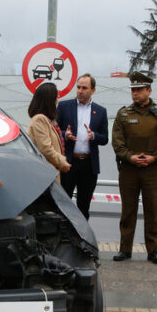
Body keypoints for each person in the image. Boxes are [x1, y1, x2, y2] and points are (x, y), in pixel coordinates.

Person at [111, 71, 157, 265]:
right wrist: (130, 157)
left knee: (153, 211)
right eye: (133, 90)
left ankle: (153, 250)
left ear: (149, 90)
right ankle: (125, 249)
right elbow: (117, 142)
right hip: (129, 170)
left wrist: (153, 157)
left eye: (139, 90)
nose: (135, 93)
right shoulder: (123, 114)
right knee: (127, 211)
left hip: (152, 170)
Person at [56, 74, 109, 219]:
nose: (80, 90)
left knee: (84, 206)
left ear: (93, 90)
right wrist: (64, 135)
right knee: (63, 204)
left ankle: (82, 239)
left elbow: (105, 138)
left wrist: (94, 136)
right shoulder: (64, 106)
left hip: (88, 165)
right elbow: (54, 130)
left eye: (84, 88)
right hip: (68, 163)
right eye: (78, 87)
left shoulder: (101, 111)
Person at [27, 82, 71, 180]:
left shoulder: (47, 120)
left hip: (50, 174)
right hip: (45, 176)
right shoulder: (40, 119)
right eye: (56, 97)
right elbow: (45, 149)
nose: (57, 100)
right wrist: (62, 162)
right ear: (49, 100)